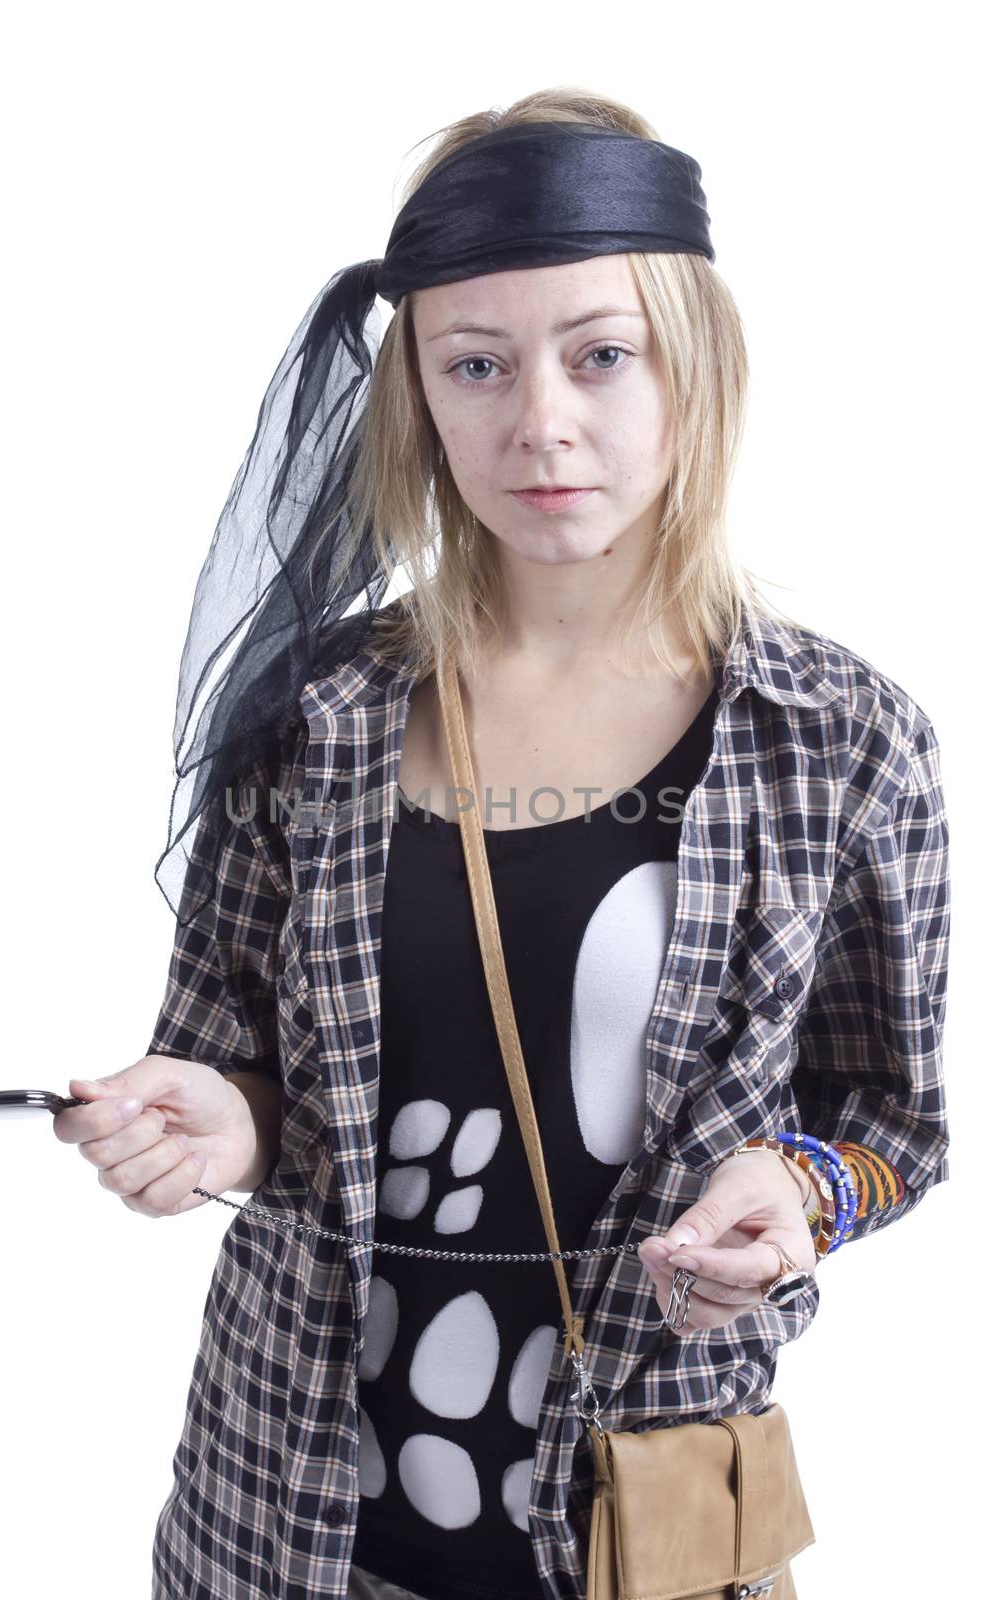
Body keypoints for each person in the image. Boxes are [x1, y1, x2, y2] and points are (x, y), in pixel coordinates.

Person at [53, 88, 950, 1600]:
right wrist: (208, 1121)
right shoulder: (316, 719)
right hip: (285, 1520)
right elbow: (236, 1078)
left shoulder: (842, 740)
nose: (540, 422)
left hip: (648, 1525)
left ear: (695, 368)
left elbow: (892, 1124)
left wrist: (801, 1192)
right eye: (475, 364)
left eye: (603, 354)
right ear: (418, 394)